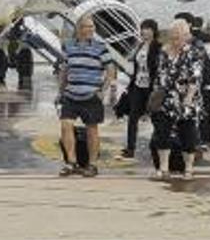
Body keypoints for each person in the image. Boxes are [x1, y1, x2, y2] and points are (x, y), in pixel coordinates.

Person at [59, 15, 117, 178]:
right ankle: (71, 162)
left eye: (92, 27)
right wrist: (61, 91)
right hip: (71, 94)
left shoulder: (100, 47)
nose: (91, 30)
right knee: (65, 125)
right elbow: (64, 70)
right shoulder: (68, 46)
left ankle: (92, 164)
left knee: (92, 130)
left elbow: (111, 70)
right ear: (79, 29)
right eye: (87, 26)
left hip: (91, 95)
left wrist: (103, 91)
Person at [153, 19, 204, 179]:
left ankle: (188, 168)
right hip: (165, 98)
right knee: (162, 133)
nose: (175, 40)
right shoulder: (163, 51)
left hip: (186, 99)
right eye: (173, 36)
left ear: (186, 36)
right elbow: (159, 74)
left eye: (179, 37)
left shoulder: (194, 52)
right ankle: (163, 168)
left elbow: (195, 78)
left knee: (188, 134)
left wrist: (189, 97)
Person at [118, 18, 160, 159]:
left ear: (154, 31)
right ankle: (130, 148)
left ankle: (159, 145)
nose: (144, 31)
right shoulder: (140, 46)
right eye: (143, 28)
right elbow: (133, 64)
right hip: (137, 85)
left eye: (148, 28)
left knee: (156, 118)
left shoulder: (158, 47)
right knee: (132, 117)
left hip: (151, 87)